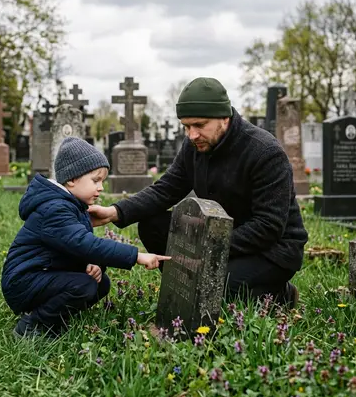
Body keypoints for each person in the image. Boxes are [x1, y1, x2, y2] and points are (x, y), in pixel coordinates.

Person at [89, 77, 309, 307]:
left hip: (270, 250)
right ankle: (186, 284)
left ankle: (280, 293)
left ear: (225, 118)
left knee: (214, 290)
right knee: (152, 223)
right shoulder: (194, 146)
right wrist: (114, 212)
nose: (192, 135)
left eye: (200, 125)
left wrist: (205, 248)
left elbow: (268, 226)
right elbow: (166, 189)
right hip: (216, 236)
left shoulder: (265, 152)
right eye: (186, 126)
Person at [1, 137, 170, 338]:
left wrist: (93, 265)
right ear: (72, 179)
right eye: (95, 180)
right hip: (23, 282)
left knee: (100, 282)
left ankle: (56, 315)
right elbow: (85, 244)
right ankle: (33, 325)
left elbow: (74, 249)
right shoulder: (54, 209)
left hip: (43, 274)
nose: (101, 188)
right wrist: (137, 256)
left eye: (102, 181)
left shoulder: (71, 205)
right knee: (84, 285)